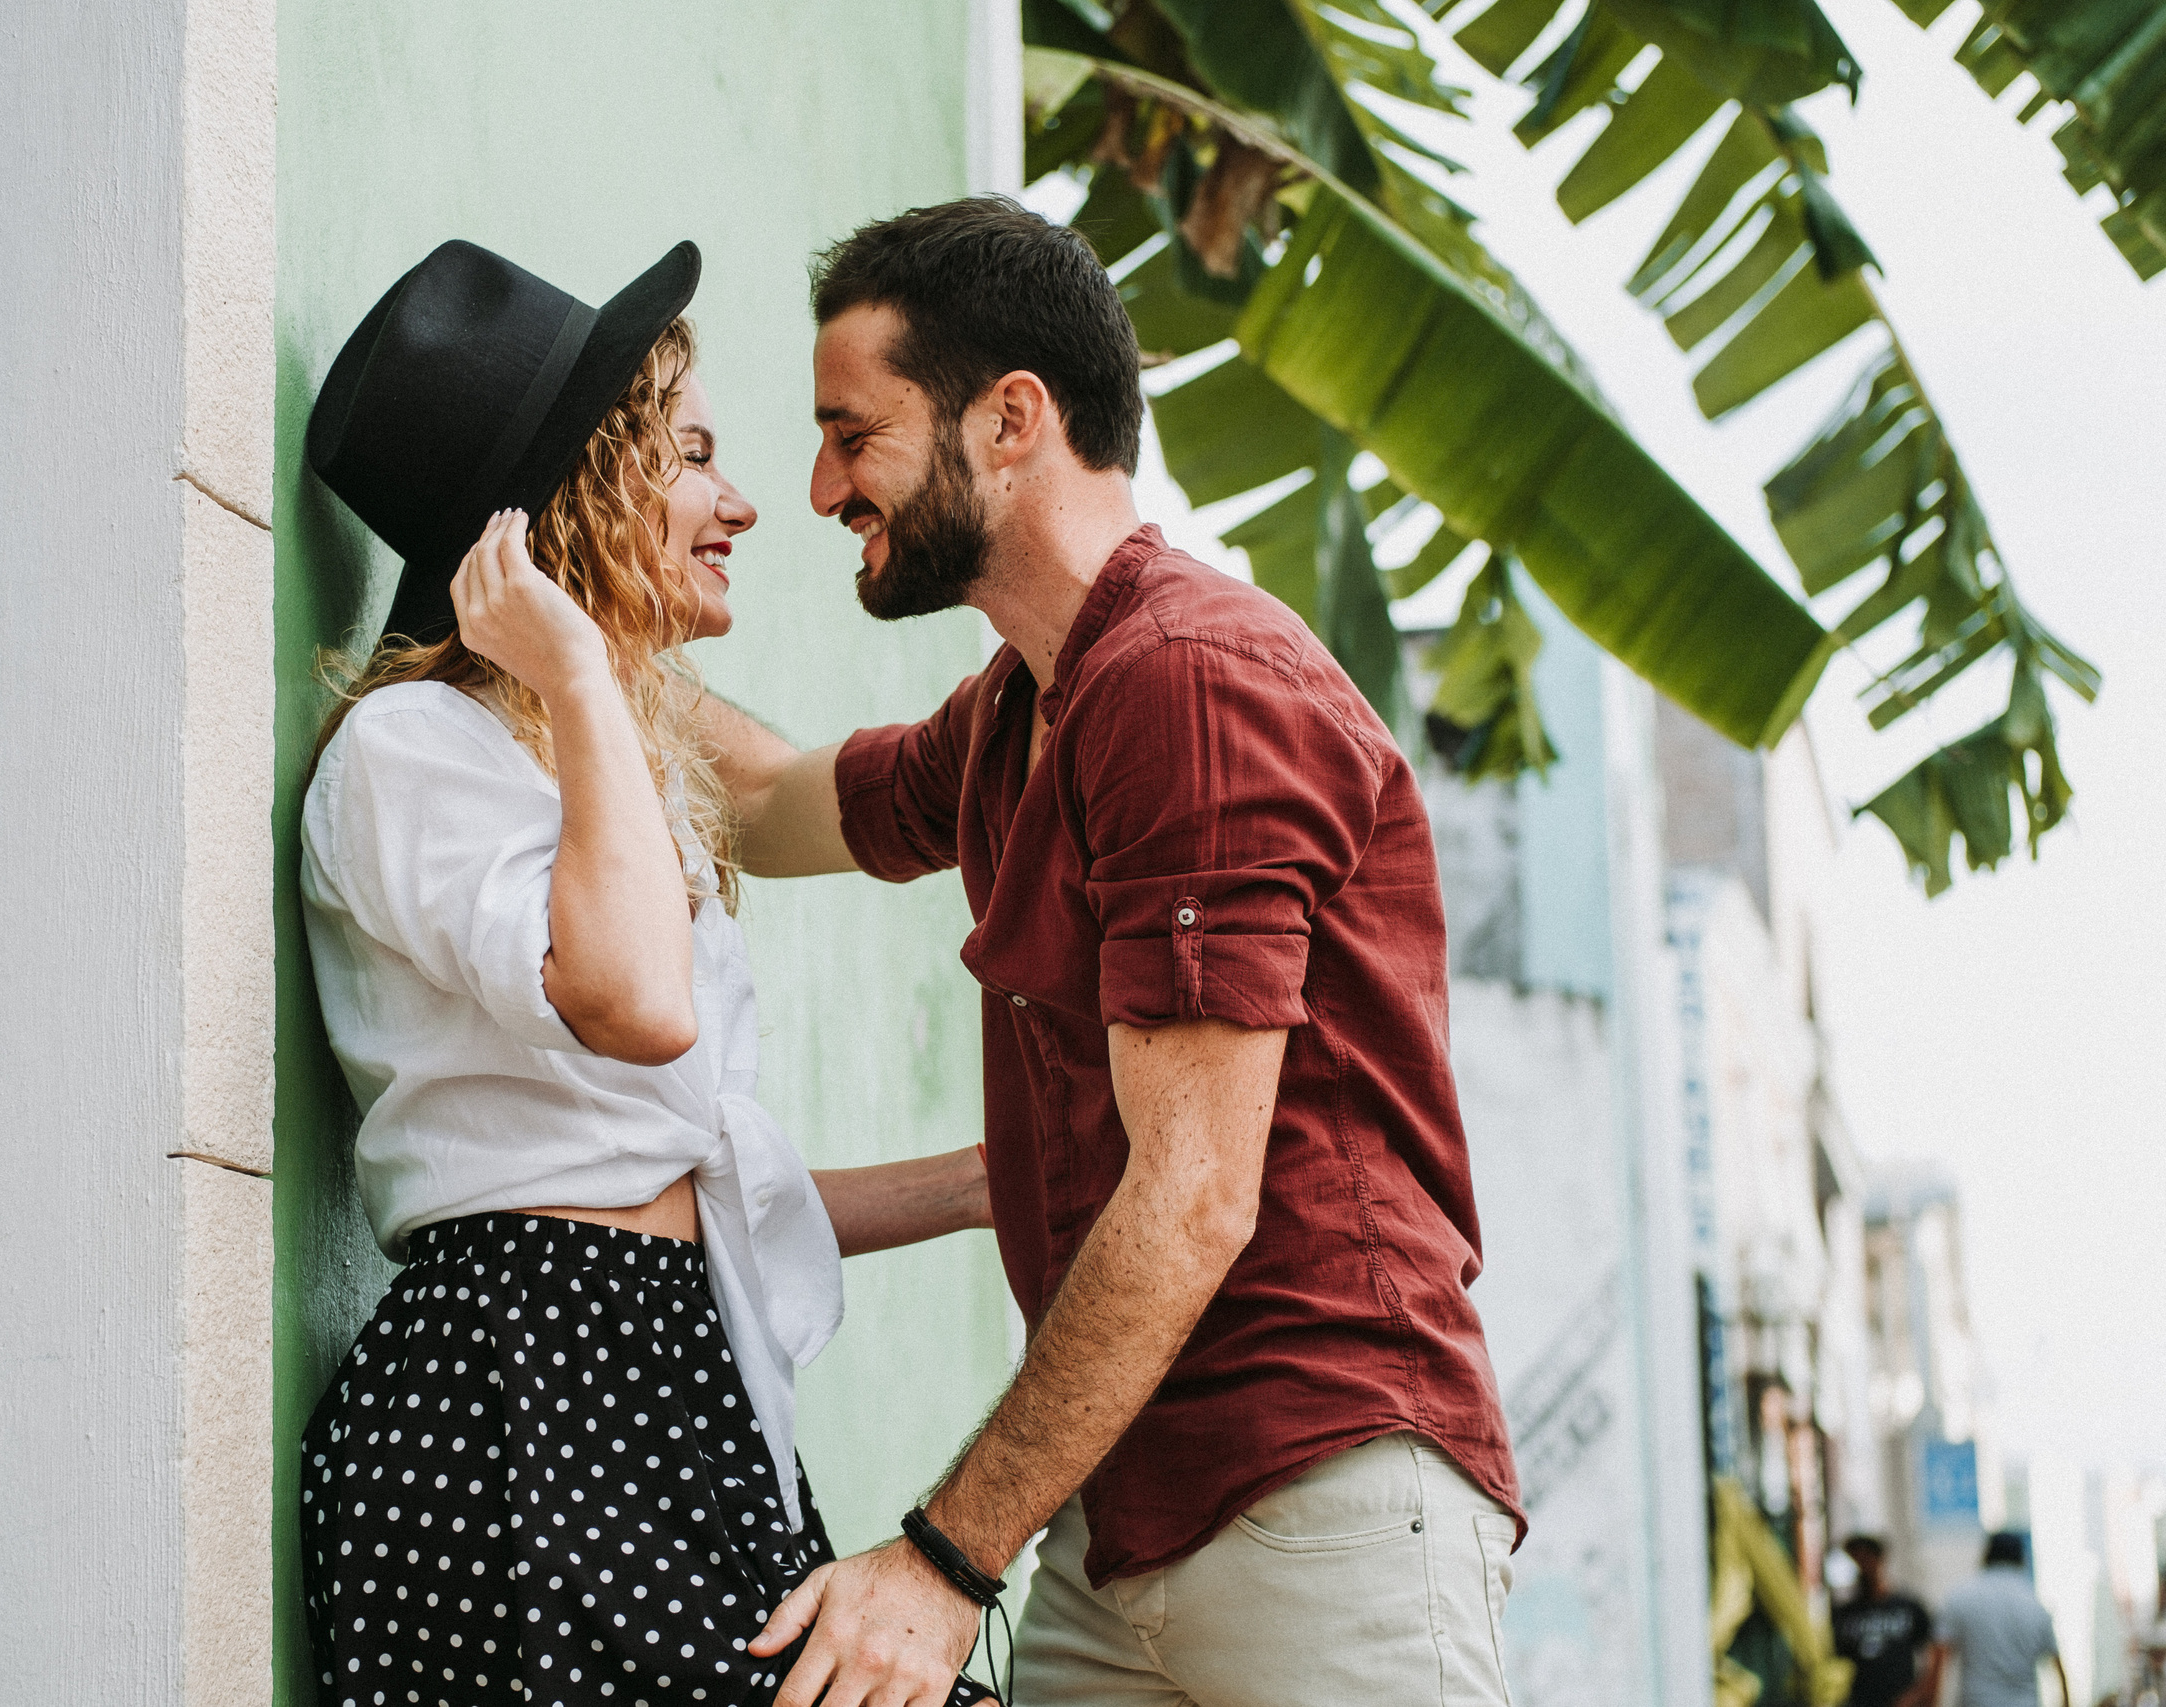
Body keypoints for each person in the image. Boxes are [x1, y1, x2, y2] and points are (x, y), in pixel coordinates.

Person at [707, 196, 1525, 1706]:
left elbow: (1196, 1193)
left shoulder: (1188, 680)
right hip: (1111, 1520)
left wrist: (945, 1560)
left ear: (1010, 420)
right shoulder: (1020, 706)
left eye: (853, 430)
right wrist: (580, 617)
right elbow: (761, 803)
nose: (821, 484)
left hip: (1316, 1490)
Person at [294, 238, 994, 1707]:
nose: (740, 502)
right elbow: (638, 1003)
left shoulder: (598, 756)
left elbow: (709, 1178)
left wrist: (1010, 1172)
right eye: (692, 457)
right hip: (524, 1391)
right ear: (577, 499)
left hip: (663, 1375)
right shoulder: (412, 750)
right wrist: (573, 663)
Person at [1925, 1532, 2069, 1707]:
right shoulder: (2036, 1605)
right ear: (2021, 1559)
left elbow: (1939, 1660)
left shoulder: (1961, 1597)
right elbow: (2058, 1668)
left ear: (1986, 1555)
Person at [1835, 1534, 1935, 1707]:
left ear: (1880, 1559)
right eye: (1855, 1560)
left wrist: (1917, 1694)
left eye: (1867, 1558)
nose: (1862, 1566)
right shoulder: (1844, 1613)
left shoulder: (1908, 1607)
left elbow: (1934, 1655)